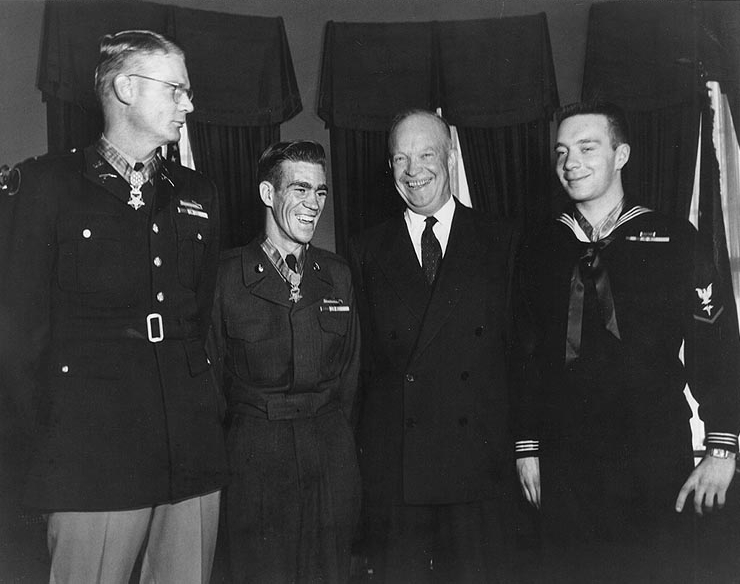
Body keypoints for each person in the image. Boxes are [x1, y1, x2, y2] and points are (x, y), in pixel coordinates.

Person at [0, 30, 227, 583]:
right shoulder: (44, 187)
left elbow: (200, 320)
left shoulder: (198, 193)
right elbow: (19, 339)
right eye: (177, 90)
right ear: (126, 88)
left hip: (189, 451)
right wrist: (57, 442)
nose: (189, 104)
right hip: (91, 455)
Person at [513, 100, 740, 582]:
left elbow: (716, 345)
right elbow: (523, 355)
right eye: (561, 152)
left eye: (586, 147)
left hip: (653, 456)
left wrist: (722, 446)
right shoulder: (538, 247)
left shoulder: (676, 238)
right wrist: (527, 447)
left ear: (622, 155)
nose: (570, 163)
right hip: (566, 460)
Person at [349, 110, 519, 583]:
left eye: (426, 155)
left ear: (450, 157)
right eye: (400, 158)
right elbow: (361, 370)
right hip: (396, 468)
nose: (413, 170)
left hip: (478, 465)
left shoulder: (501, 239)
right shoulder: (365, 249)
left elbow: (518, 359)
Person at [212, 140, 361, 583]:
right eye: (299, 189)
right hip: (256, 458)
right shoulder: (226, 276)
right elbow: (211, 385)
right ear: (267, 194)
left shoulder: (337, 274)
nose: (313, 204)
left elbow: (351, 375)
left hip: (329, 457)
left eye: (320, 192)